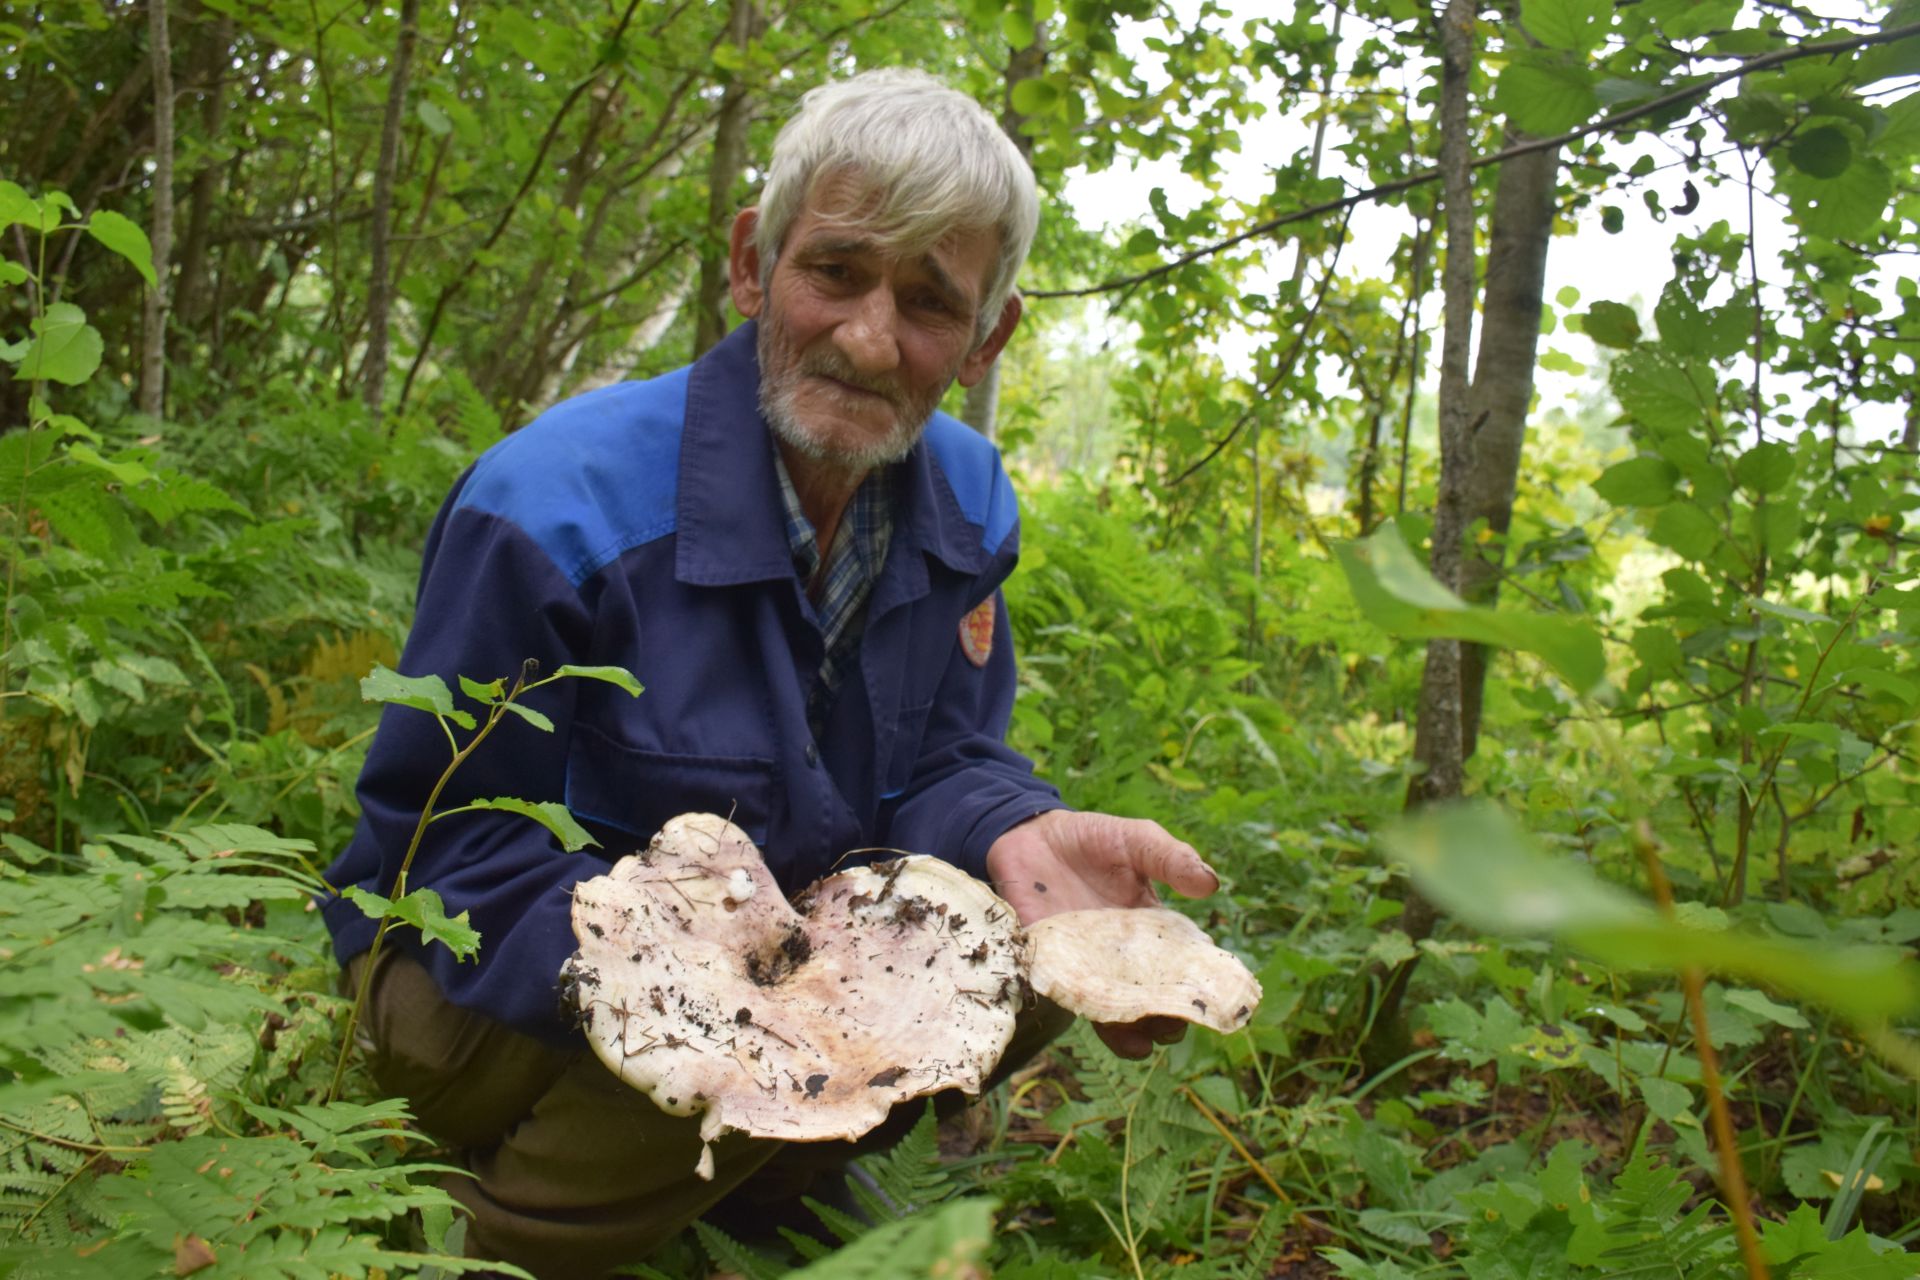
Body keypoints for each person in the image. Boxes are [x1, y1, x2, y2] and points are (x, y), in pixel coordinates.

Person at [322, 68, 1218, 1278]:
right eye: (836, 273)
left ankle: (764, 1181)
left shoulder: (965, 503)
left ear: (987, 335)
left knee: (1018, 943)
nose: (868, 338)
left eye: (929, 301)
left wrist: (1017, 824)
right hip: (473, 976)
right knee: (717, 1043)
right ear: (754, 265)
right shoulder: (553, 508)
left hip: (779, 966)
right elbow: (444, 848)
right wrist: (656, 979)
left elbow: (943, 753)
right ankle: (510, 1242)